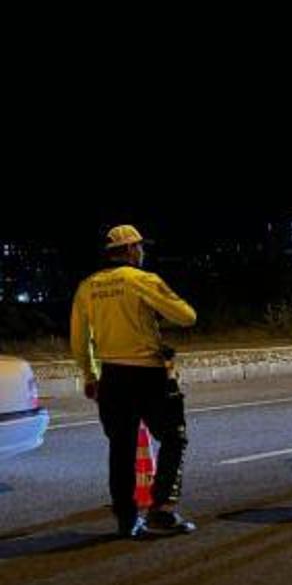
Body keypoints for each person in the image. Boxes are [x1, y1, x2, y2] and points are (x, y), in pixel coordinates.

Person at [70, 224, 198, 538]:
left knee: (121, 448)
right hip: (148, 374)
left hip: (111, 377)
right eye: (139, 247)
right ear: (130, 250)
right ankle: (162, 511)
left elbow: (78, 338)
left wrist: (90, 376)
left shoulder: (88, 286)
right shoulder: (142, 280)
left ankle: (126, 520)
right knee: (173, 437)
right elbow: (187, 316)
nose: (142, 252)